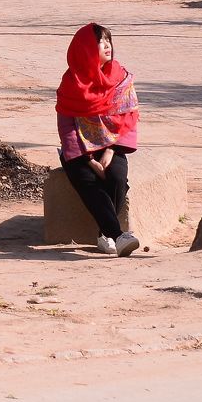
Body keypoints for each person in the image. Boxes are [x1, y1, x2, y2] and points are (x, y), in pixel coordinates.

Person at [56, 22, 140, 256]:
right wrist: (90, 160)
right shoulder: (71, 83)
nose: (106, 46)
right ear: (84, 49)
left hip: (113, 145)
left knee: (116, 177)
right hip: (80, 151)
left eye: (108, 40)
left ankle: (105, 235)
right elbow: (66, 127)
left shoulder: (121, 78)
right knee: (86, 179)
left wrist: (110, 151)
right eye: (99, 42)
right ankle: (117, 234)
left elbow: (129, 117)